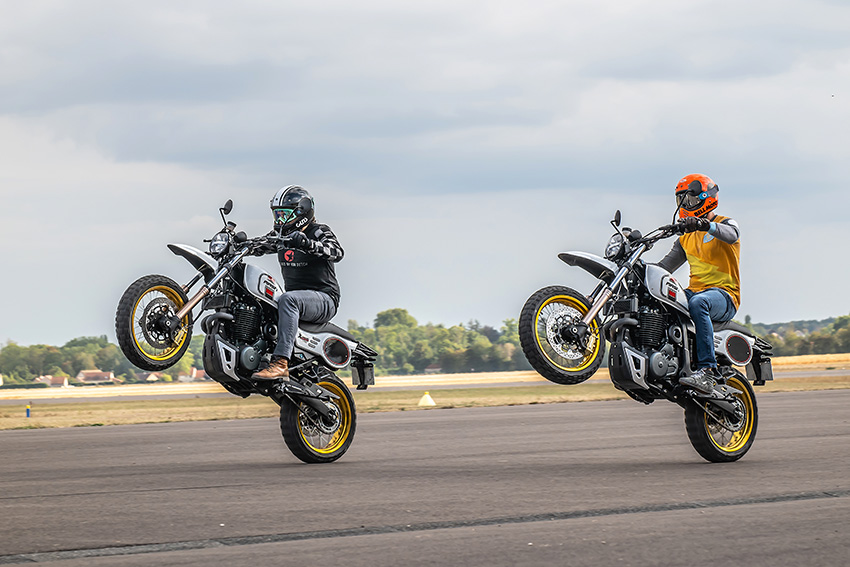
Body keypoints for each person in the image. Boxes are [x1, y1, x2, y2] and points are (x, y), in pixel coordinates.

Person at [657, 174, 741, 394]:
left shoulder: (725, 223)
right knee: (663, 300)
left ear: (706, 198)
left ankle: (707, 371)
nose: (686, 205)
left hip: (724, 295)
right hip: (694, 292)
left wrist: (705, 225)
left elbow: (732, 235)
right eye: (682, 200)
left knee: (699, 303)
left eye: (690, 199)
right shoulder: (685, 238)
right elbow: (664, 268)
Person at [252, 185, 344, 380]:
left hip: (324, 299)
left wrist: (307, 244)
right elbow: (258, 245)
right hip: (296, 300)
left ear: (302, 211)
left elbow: (336, 252)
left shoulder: (318, 231)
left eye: (284, 215)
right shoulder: (281, 236)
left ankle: (280, 363)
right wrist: (233, 244)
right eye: (277, 215)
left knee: (288, 299)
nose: (280, 220)